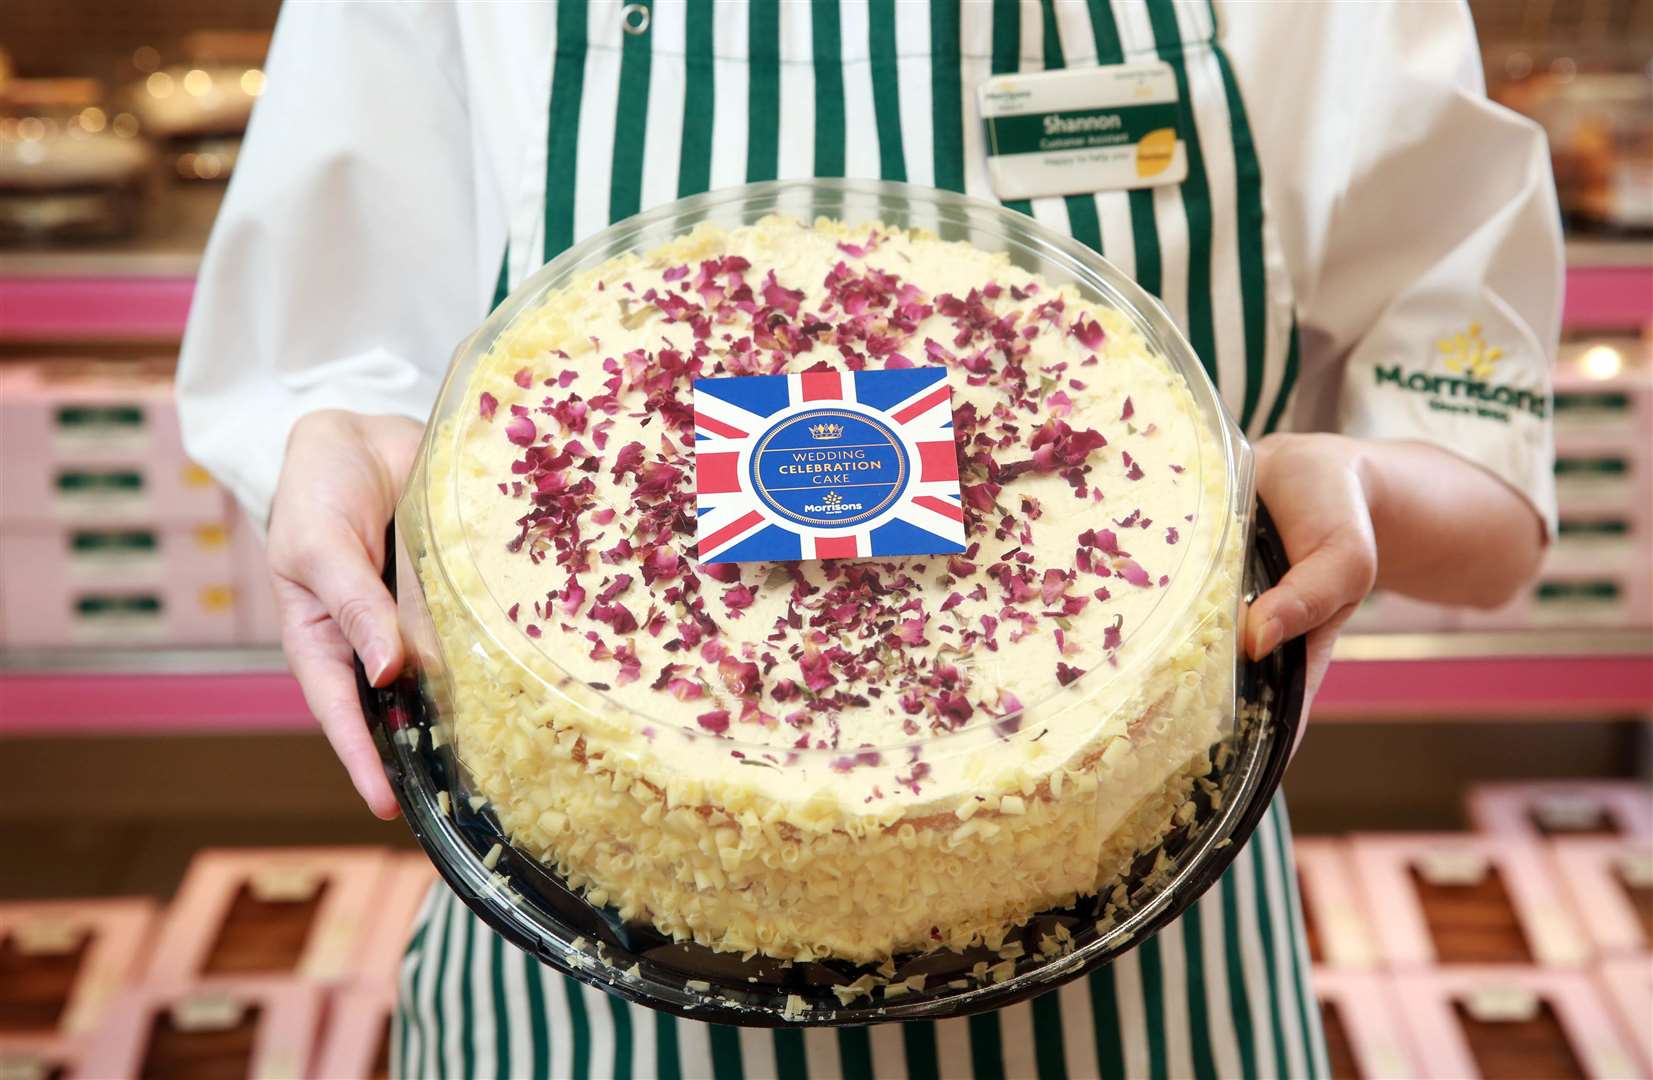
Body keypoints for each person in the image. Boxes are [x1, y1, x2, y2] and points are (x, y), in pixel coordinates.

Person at [177, 2, 1559, 1076]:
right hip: (576, 1017)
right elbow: (327, 385)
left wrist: (1327, 480)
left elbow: (1486, 502)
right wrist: (341, 453)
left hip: (1154, 1007)